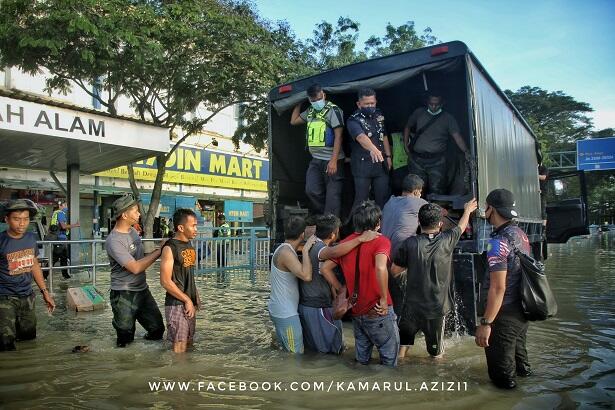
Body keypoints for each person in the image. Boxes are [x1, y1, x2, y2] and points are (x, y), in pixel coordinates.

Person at [391, 198, 477, 359]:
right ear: (440, 224)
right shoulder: (447, 240)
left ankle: (398, 374)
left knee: (402, 349)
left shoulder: (409, 244)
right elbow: (461, 227)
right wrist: (467, 211)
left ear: (419, 221)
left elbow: (395, 271)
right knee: (436, 355)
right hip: (436, 308)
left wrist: (408, 283)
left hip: (411, 305)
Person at [321, 201, 400, 367]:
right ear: (377, 223)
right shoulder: (381, 241)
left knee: (361, 361)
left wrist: (342, 289)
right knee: (389, 361)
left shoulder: (346, 243)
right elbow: (380, 267)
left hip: (356, 311)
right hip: (378, 311)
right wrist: (384, 299)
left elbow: (325, 269)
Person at [475, 188, 531, 389]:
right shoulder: (520, 234)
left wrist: (486, 323)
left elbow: (498, 288)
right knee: (521, 368)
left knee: (502, 379)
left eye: (486, 208)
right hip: (521, 311)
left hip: (504, 315)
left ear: (491, 209)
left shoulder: (497, 243)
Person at [298, 214, 379, 354]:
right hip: (318, 306)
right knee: (329, 351)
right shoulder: (319, 248)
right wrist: (361, 239)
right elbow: (334, 252)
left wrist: (337, 290)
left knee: (316, 351)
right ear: (333, 234)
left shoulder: (312, 244)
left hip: (310, 305)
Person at [105, 195, 165, 348]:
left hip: (142, 290)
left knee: (157, 329)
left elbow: (141, 258)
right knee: (125, 337)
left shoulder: (132, 231)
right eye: (135, 211)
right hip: (123, 293)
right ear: (124, 215)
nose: (139, 214)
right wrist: (159, 251)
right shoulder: (114, 240)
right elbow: (135, 267)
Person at [0, 199, 55, 351]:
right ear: (7, 219)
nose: (22, 224)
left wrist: (45, 292)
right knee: (5, 342)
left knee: (29, 339)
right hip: (4, 298)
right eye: (17, 219)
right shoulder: (1, 241)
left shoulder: (31, 238)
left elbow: (34, 265)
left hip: (28, 296)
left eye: (25, 219)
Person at [291, 84, 345, 217]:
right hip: (316, 160)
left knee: (332, 197)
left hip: (333, 160)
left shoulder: (334, 110)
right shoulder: (310, 111)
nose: (316, 102)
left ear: (324, 95)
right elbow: (294, 121)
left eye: (319, 99)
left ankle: (332, 224)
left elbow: (339, 136)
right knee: (311, 190)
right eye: (313, 100)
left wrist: (333, 161)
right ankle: (325, 217)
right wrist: (298, 103)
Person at [403, 91, 470, 195]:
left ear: (442, 104)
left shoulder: (448, 118)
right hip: (417, 160)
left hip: (437, 161)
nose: (433, 107)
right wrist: (405, 145)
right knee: (414, 189)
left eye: (436, 104)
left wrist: (466, 152)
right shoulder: (419, 113)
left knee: (437, 190)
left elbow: (457, 138)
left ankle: (434, 210)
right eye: (431, 104)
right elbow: (407, 126)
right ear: (427, 102)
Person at [268, 216, 317, 354]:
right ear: (302, 234)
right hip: (286, 314)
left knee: (287, 351)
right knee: (294, 356)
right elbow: (306, 276)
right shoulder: (286, 252)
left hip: (281, 310)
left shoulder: (285, 249)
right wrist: (306, 250)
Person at [381, 174, 427, 317]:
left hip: (384, 258)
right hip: (402, 260)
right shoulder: (419, 203)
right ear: (416, 192)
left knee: (396, 301)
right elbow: (434, 219)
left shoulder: (389, 202)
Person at [160, 209, 200, 353]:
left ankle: (189, 375)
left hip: (189, 302)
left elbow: (188, 274)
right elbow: (165, 281)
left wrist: (195, 297)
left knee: (189, 342)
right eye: (193, 225)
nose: (196, 229)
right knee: (179, 345)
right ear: (181, 228)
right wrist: (186, 300)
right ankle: (176, 375)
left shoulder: (189, 245)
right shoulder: (170, 248)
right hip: (176, 304)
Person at [346, 88, 393, 210]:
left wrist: (388, 156)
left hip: (380, 164)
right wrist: (374, 149)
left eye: (372, 103)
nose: (370, 106)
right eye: (367, 104)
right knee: (361, 200)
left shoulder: (379, 114)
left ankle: (381, 227)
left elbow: (384, 135)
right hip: (362, 165)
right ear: (359, 104)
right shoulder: (353, 119)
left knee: (382, 197)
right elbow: (361, 137)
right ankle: (357, 227)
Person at [49, 200, 80, 279]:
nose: (67, 207)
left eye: (67, 205)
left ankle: (65, 275)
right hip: (59, 239)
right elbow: (63, 226)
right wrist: (76, 225)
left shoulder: (58, 213)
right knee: (55, 258)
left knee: (64, 258)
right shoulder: (60, 213)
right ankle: (44, 275)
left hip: (61, 239)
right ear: (60, 206)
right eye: (65, 205)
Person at [213, 214, 231, 280]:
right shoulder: (222, 225)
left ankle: (223, 269)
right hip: (221, 243)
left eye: (218, 220)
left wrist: (222, 244)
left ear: (221, 220)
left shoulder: (224, 226)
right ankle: (220, 268)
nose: (218, 221)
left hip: (223, 243)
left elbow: (225, 235)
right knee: (219, 256)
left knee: (222, 256)